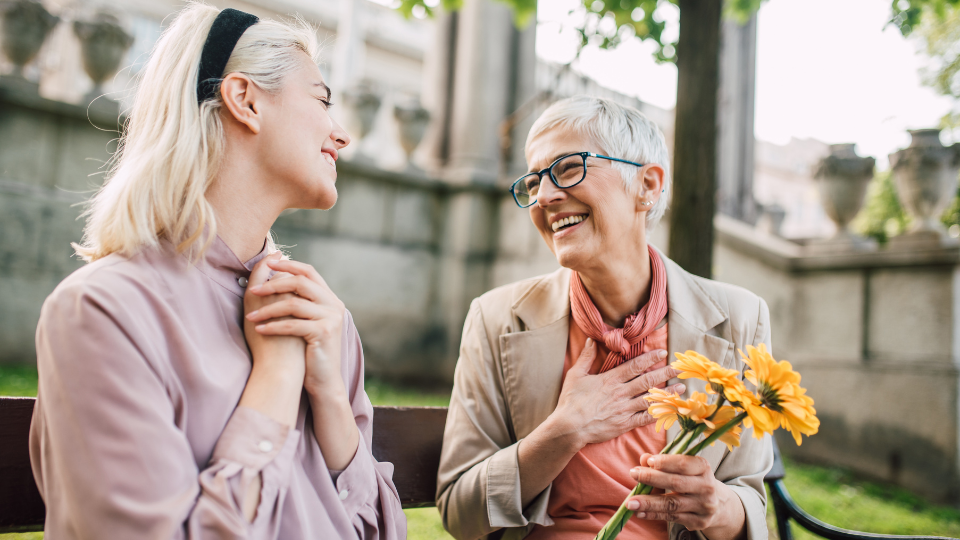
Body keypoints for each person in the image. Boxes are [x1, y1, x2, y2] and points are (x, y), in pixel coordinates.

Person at [28, 5, 405, 539]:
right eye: (321, 100)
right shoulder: (102, 312)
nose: (341, 135)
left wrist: (330, 403)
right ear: (245, 100)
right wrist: (275, 381)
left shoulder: (321, 318)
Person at [436, 95, 773, 540]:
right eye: (534, 181)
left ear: (647, 186)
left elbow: (747, 497)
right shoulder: (495, 318)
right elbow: (460, 515)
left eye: (568, 168)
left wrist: (720, 507)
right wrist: (566, 429)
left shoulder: (739, 318)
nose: (546, 196)